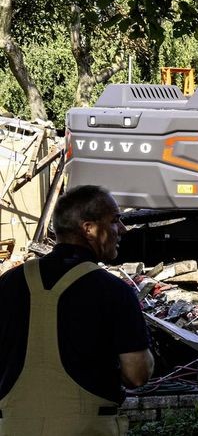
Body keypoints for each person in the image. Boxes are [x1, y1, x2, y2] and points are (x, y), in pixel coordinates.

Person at [0, 185, 153, 436]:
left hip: (13, 425)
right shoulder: (112, 290)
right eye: (115, 220)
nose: (123, 230)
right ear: (89, 229)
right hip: (86, 427)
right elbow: (137, 374)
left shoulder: (7, 284)